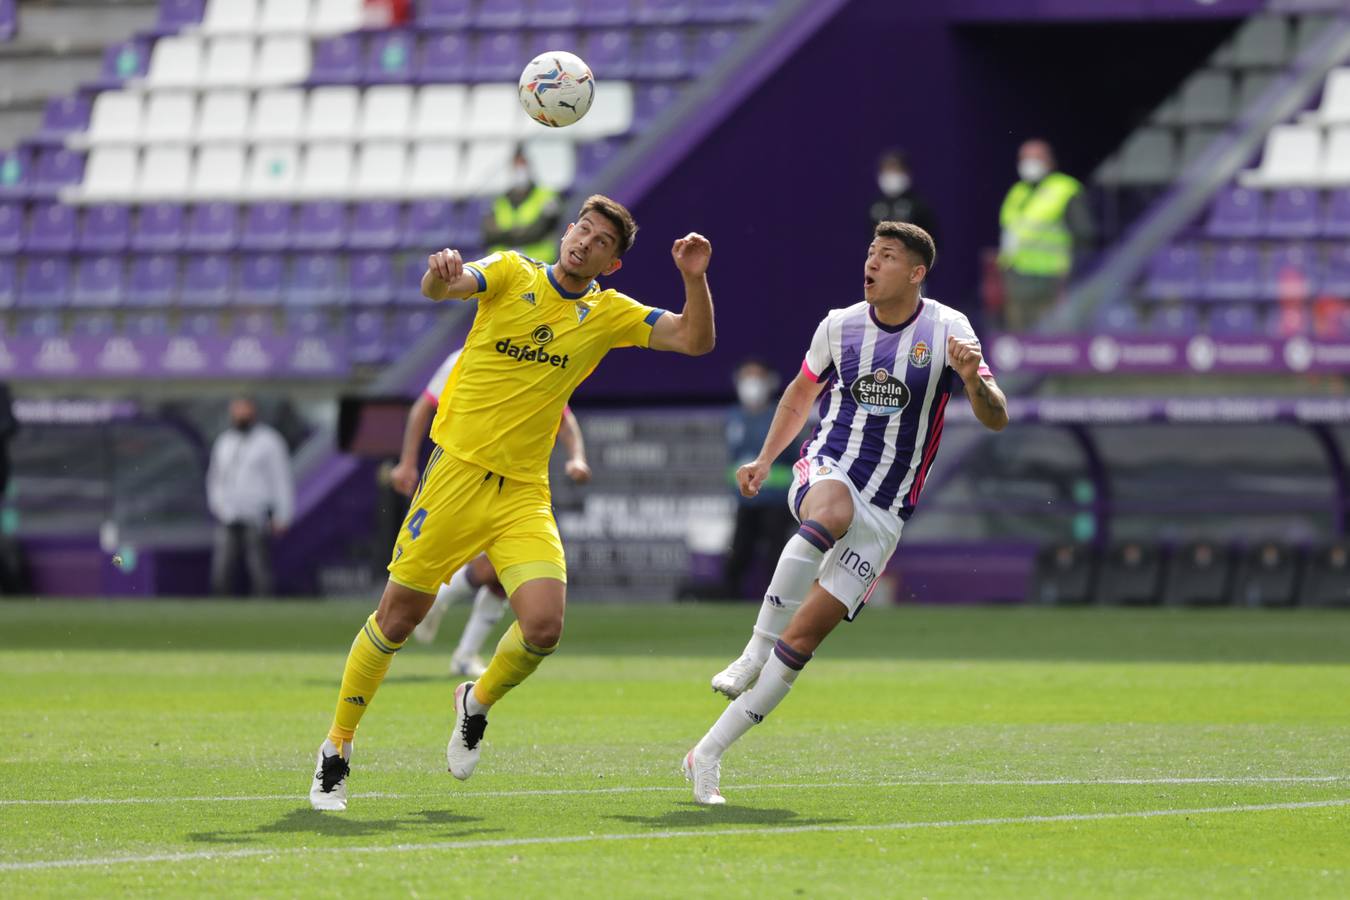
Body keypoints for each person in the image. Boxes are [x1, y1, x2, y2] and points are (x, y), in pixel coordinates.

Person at [310, 194, 715, 811]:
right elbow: (442, 288)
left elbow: (693, 340)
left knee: (545, 628)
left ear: (612, 264)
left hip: (523, 493)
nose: (584, 241)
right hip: (455, 478)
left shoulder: (610, 313)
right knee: (397, 619)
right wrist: (440, 272)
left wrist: (694, 280)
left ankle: (475, 702)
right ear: (566, 232)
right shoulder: (510, 271)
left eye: (601, 241)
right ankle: (336, 749)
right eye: (581, 228)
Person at [682, 222, 1008, 805]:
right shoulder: (839, 325)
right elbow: (799, 396)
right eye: (870, 253)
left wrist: (970, 379)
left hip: (887, 512)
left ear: (915, 273)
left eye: (887, 256)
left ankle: (706, 755)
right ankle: (752, 650)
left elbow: (996, 415)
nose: (872, 262)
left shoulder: (949, 329)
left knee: (804, 639)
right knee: (828, 510)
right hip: (829, 467)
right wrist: (764, 459)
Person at [388, 346, 593, 677]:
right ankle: (439, 602)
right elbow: (423, 407)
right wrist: (408, 462)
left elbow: (563, 417)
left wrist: (577, 457)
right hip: (463, 483)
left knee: (502, 575)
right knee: (486, 569)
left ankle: (463, 650)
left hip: (518, 485)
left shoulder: (534, 357)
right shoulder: (465, 359)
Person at [721, 359, 797, 599]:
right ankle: (729, 601)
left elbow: (794, 457)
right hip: (746, 501)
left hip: (776, 502)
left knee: (776, 556)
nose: (751, 384)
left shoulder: (781, 414)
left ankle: (778, 602)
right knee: (739, 553)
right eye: (746, 376)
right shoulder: (734, 417)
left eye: (757, 376)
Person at [998, 139, 1093, 331]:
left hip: (1053, 279)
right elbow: (1010, 232)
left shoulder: (1065, 189)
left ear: (1049, 161)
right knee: (1018, 338)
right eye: (1025, 157)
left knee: (1052, 338)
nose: (1029, 162)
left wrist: (1075, 273)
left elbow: (1084, 234)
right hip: (1018, 279)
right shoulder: (1017, 192)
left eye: (1035, 157)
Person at [206, 397, 294, 597]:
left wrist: (283, 515)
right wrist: (218, 506)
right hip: (228, 514)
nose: (240, 415)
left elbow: (280, 480)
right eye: (237, 411)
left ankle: (263, 610)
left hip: (256, 514)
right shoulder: (225, 442)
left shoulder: (269, 441)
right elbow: (215, 478)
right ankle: (219, 611)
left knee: (258, 567)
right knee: (222, 568)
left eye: (244, 410)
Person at [481, 147, 563, 264]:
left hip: (539, 266)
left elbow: (539, 231)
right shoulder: (499, 201)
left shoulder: (547, 196)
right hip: (504, 267)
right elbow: (488, 235)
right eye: (516, 165)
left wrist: (505, 234)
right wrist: (520, 232)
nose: (520, 169)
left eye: (523, 164)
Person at [868, 149, 939, 246]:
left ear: (905, 172)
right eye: (887, 170)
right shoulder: (875, 206)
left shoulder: (918, 206)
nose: (891, 176)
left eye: (895, 170)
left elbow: (932, 240)